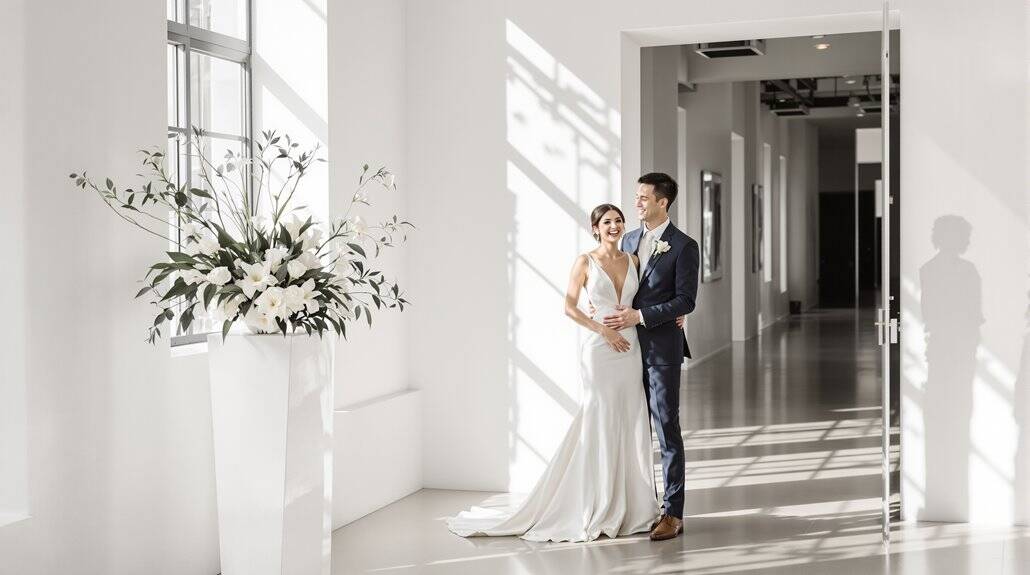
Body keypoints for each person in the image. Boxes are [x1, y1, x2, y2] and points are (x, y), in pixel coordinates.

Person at [446, 202, 684, 542]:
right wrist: (603, 330)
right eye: (607, 222)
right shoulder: (584, 262)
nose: (614, 226)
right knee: (599, 419)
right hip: (601, 349)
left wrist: (679, 313)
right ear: (595, 228)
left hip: (631, 348)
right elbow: (569, 307)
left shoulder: (633, 258)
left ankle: (634, 506)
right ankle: (596, 503)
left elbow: (655, 294)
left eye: (618, 221)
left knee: (630, 420)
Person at [602, 172, 700, 541]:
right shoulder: (627, 239)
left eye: (643, 198)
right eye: (637, 197)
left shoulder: (683, 245)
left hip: (661, 349)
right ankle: (634, 504)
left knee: (666, 429)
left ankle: (672, 513)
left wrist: (642, 316)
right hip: (622, 349)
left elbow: (686, 299)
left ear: (663, 202)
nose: (637, 203)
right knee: (629, 426)